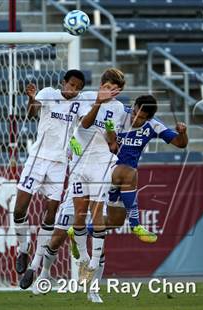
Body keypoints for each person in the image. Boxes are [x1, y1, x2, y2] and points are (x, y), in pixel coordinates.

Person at [14, 70, 87, 274]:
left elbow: (84, 125)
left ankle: (34, 265)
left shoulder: (80, 102)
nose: (74, 90)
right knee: (19, 210)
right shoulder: (47, 93)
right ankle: (23, 249)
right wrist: (31, 99)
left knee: (51, 213)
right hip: (37, 159)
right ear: (63, 83)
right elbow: (31, 113)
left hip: (59, 163)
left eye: (78, 88)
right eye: (71, 85)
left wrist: (77, 147)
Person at [103, 94, 188, 242]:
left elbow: (180, 144)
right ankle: (135, 224)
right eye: (134, 113)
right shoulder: (120, 114)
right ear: (133, 107)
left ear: (148, 118)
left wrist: (182, 133)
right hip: (104, 170)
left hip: (123, 179)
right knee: (129, 172)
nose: (135, 118)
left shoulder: (154, 125)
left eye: (141, 117)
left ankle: (79, 229)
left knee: (114, 222)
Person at [69, 68, 126, 283]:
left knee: (97, 211)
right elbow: (84, 124)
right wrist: (99, 102)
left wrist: (112, 134)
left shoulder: (119, 108)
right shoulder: (86, 98)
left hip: (101, 161)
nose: (112, 93)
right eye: (109, 88)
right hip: (79, 160)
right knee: (79, 213)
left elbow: (113, 143)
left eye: (116, 91)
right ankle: (84, 258)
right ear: (101, 85)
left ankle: (94, 261)